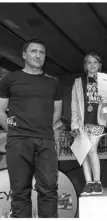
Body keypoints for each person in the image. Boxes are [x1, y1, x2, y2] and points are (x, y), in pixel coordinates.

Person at [0, 39, 62, 218]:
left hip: (46, 142)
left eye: (42, 52)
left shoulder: (54, 83)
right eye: (34, 51)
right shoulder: (10, 79)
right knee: (20, 192)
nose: (38, 55)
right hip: (18, 142)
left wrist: (41, 128)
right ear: (24, 55)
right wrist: (13, 130)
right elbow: (0, 110)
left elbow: (56, 113)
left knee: (49, 189)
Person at [71, 52, 107, 196]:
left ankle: (97, 182)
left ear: (100, 65)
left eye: (95, 62)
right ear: (85, 66)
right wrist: (74, 125)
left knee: (91, 149)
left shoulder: (105, 80)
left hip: (98, 122)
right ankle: (88, 183)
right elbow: (74, 105)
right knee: (84, 152)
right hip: (83, 123)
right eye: (89, 62)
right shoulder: (78, 82)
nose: (92, 65)